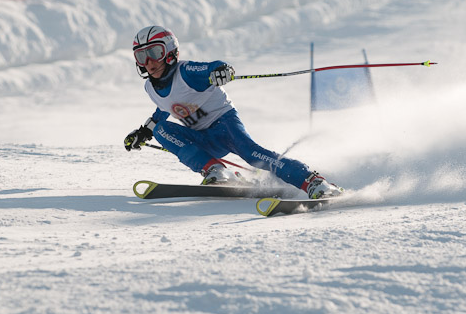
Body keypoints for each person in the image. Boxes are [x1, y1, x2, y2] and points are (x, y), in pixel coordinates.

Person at [124, 25, 342, 199]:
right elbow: (163, 110)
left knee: (252, 154)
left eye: (154, 52)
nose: (149, 62)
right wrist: (144, 132)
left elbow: (212, 67)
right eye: (141, 56)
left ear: (170, 51)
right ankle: (216, 170)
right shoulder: (150, 88)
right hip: (202, 138)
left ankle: (313, 181)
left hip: (224, 125)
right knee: (162, 130)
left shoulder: (187, 72)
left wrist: (222, 71)